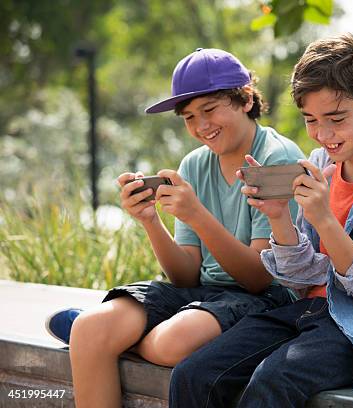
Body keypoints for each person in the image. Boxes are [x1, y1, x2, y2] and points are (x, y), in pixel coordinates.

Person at [168, 34, 353, 408]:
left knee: (274, 380)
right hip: (314, 311)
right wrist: (280, 219)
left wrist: (324, 219)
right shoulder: (319, 163)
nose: (323, 135)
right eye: (311, 120)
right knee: (194, 374)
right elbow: (302, 279)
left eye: (336, 118)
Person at [45, 48, 304, 407]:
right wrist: (151, 221)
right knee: (90, 329)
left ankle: (121, 338)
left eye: (209, 110)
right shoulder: (195, 164)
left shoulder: (276, 158)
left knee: (170, 343)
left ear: (245, 99)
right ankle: (103, 335)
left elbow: (259, 278)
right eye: (189, 117)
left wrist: (197, 215)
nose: (200, 127)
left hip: (262, 303)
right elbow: (185, 276)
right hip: (203, 295)